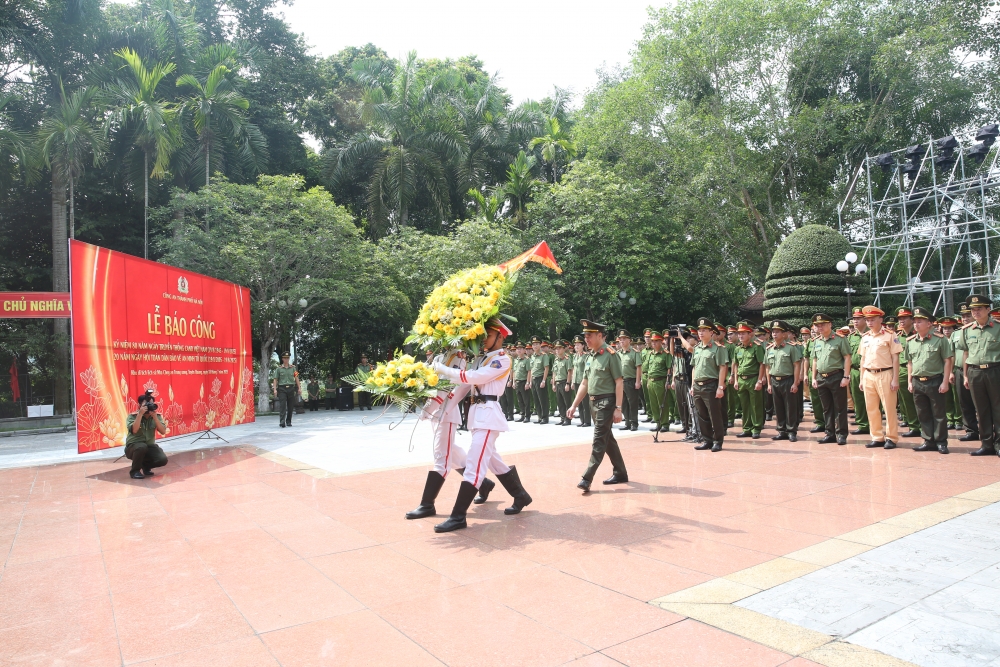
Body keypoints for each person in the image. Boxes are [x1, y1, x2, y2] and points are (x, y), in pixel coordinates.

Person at [432, 319, 532, 532]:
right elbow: (466, 385)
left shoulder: (502, 360)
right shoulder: (481, 358)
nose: (483, 339)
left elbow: (474, 377)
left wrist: (443, 369)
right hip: (477, 415)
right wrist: (446, 409)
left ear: (500, 337)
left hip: (488, 416)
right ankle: (520, 495)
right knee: (494, 462)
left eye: (487, 335)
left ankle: (458, 516)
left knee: (475, 465)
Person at [406, 348, 496, 519]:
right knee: (450, 453)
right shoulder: (438, 356)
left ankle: (427, 504)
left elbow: (448, 387)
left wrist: (429, 408)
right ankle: (483, 484)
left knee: (441, 457)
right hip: (436, 412)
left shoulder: (456, 357)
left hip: (445, 413)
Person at [567, 320, 627, 491]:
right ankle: (621, 472)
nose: (586, 339)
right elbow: (584, 384)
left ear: (600, 335)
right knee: (608, 440)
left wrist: (618, 408)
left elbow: (619, 382)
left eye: (589, 335)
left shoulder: (611, 354)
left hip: (606, 403)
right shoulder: (590, 357)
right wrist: (574, 405)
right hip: (593, 403)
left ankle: (587, 477)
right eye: (585, 336)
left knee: (599, 440)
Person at [956, 294, 1000, 457]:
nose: (975, 312)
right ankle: (986, 444)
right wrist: (966, 376)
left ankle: (999, 444)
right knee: (981, 410)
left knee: (998, 409)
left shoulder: (997, 327)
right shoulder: (966, 330)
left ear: (988, 310)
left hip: (995, 370)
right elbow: (965, 353)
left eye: (979, 309)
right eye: (973, 310)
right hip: (975, 372)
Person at [906, 307, 954, 454]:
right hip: (917, 381)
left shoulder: (940, 340)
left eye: (919, 321)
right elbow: (910, 362)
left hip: (935, 380)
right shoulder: (911, 341)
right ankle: (928, 440)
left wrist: (945, 382)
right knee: (923, 413)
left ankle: (941, 442)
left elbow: (947, 361)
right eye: (914, 322)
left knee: (939, 413)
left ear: (929, 324)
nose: (916, 324)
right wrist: (909, 381)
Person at [679, 317, 730, 451]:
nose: (701, 333)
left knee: (715, 415)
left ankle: (718, 441)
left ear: (711, 333)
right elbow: (694, 367)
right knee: (702, 415)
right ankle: (707, 440)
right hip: (698, 385)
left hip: (711, 385)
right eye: (699, 330)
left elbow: (723, 368)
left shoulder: (718, 349)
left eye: (704, 330)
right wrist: (693, 385)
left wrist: (720, 386)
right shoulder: (697, 349)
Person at [859, 305, 902, 449]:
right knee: (871, 408)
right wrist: (861, 378)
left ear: (880, 319)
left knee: (889, 408)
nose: (869, 322)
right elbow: (863, 359)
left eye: (872, 319)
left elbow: (895, 358)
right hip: (869, 374)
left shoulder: (890, 335)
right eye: (867, 320)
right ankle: (877, 436)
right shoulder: (865, 337)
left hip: (885, 373)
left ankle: (891, 437)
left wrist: (895, 379)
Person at [810, 313, 852, 445]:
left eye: (822, 324)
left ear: (830, 324)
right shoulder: (816, 341)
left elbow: (847, 357)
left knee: (840, 407)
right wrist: (813, 377)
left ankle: (841, 434)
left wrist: (846, 376)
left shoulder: (840, 339)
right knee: (826, 408)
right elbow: (815, 360)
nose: (819, 327)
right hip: (821, 377)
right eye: (817, 325)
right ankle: (830, 433)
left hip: (836, 376)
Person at [764, 321, 803, 442]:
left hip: (788, 379)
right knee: (778, 407)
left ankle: (791, 431)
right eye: (773, 332)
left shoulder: (791, 347)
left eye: (778, 332)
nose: (774, 334)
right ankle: (781, 430)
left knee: (790, 407)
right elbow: (767, 367)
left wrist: (795, 382)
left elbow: (797, 365)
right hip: (775, 380)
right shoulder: (769, 349)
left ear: (784, 334)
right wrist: (769, 383)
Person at [732, 321, 765, 439]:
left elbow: (762, 364)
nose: (740, 336)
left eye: (743, 334)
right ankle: (746, 428)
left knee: (755, 405)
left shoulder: (757, 347)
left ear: (750, 334)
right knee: (744, 406)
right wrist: (735, 380)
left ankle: (756, 428)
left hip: (753, 379)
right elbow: (735, 364)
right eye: (739, 334)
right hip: (741, 380)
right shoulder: (737, 349)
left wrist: (759, 380)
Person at [125, 391, 168, 479]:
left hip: (149, 446)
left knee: (162, 459)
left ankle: (145, 466)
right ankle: (135, 471)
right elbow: (134, 430)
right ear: (140, 405)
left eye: (151, 404)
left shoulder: (157, 416)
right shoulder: (132, 416)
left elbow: (163, 431)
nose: (149, 406)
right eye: (146, 404)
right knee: (141, 446)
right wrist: (140, 414)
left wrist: (155, 418)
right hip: (133, 447)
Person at [953, 304, 981, 442]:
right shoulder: (957, 333)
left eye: (967, 315)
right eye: (963, 316)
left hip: (977, 369)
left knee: (981, 402)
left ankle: (988, 429)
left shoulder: (980, 329)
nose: (965, 318)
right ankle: (971, 430)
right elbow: (951, 354)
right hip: (959, 370)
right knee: (964, 402)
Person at [895, 307, 922, 438]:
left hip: (917, 369)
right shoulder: (897, 336)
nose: (901, 320)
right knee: (906, 401)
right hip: (902, 370)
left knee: (919, 400)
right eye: (900, 318)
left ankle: (923, 425)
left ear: (912, 320)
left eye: (905, 318)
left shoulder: (918, 334)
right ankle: (913, 425)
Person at [848, 307, 870, 435]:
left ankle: (873, 425)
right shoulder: (852, 337)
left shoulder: (871, 334)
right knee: (858, 399)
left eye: (858, 319)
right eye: (854, 319)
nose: (855, 321)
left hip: (870, 370)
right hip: (855, 371)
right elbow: (848, 355)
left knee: (872, 400)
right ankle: (862, 424)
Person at [644, 332, 671, 432]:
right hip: (651, 381)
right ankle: (657, 422)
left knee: (662, 403)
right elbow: (649, 369)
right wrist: (647, 381)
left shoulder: (665, 354)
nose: (653, 343)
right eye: (652, 341)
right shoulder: (650, 354)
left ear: (661, 342)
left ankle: (665, 424)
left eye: (656, 341)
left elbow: (669, 368)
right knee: (653, 404)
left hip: (661, 381)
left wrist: (668, 381)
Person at [616, 330, 643, 431]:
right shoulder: (618, 353)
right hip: (620, 382)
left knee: (632, 403)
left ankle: (634, 423)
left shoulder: (634, 353)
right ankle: (627, 422)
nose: (621, 341)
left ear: (629, 340)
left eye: (624, 339)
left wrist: (637, 381)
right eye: (620, 339)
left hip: (631, 381)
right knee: (623, 403)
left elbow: (638, 367)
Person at [527, 336, 551, 424]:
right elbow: (531, 370)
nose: (535, 346)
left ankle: (545, 417)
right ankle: (540, 417)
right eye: (533, 344)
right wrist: (529, 381)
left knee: (543, 399)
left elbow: (546, 368)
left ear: (540, 345)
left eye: (537, 344)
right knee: (536, 399)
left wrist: (544, 380)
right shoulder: (532, 356)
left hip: (540, 378)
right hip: (533, 379)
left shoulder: (543, 355)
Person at [272, 352, 300, 427]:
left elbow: (296, 378)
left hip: (291, 388)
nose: (286, 359)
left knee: (290, 406)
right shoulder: (279, 369)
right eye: (285, 358)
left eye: (287, 358)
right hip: (282, 388)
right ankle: (282, 421)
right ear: (282, 359)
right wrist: (275, 389)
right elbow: (275, 379)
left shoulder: (293, 368)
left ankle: (288, 421)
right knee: (282, 405)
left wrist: (299, 388)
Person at [572, 336, 592, 427]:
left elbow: (587, 369)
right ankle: (582, 420)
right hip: (576, 380)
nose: (576, 346)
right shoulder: (575, 356)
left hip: (583, 381)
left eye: (578, 344)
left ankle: (587, 421)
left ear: (583, 345)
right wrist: (572, 381)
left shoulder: (586, 356)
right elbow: (574, 369)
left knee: (585, 402)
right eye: (575, 345)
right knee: (578, 401)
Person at [552, 340, 573, 425]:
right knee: (560, 402)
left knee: (567, 402)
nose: (557, 350)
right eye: (556, 349)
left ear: (564, 349)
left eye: (559, 348)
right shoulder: (556, 360)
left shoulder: (567, 359)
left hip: (564, 382)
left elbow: (569, 372)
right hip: (557, 382)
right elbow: (554, 372)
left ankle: (568, 419)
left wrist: (568, 383)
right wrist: (553, 384)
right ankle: (562, 418)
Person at [513, 342, 532, 422]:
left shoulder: (527, 360)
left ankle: (527, 416)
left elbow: (529, 372)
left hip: (524, 382)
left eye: (520, 348)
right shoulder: (516, 360)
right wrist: (513, 382)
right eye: (517, 349)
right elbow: (514, 371)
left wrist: (528, 382)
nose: (519, 350)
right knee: (520, 400)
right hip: (517, 382)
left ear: (524, 350)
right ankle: (522, 414)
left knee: (526, 400)